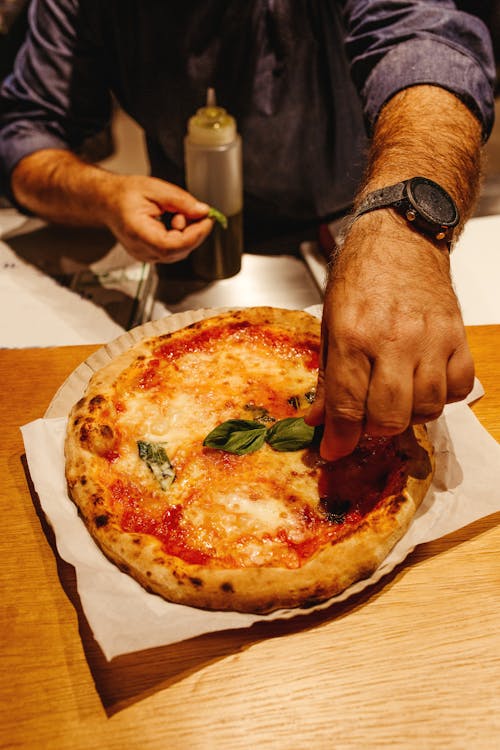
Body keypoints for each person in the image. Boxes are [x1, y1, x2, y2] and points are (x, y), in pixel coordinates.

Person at [0, 1, 496, 460]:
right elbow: (24, 133)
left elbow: (426, 46)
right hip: (182, 235)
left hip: (363, 220)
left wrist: (403, 227)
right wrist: (102, 195)